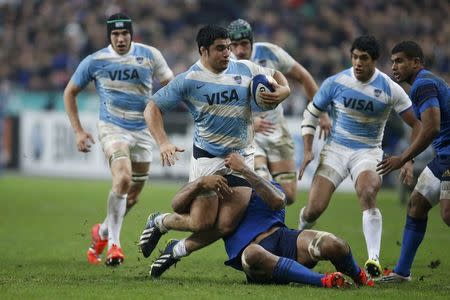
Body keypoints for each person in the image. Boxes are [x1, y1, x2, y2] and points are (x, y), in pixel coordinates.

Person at [141, 24, 290, 275]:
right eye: (220, 49)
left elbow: (278, 75)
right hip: (208, 158)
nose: (228, 53)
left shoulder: (245, 69)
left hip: (241, 156)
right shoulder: (190, 79)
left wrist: (284, 91)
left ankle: (174, 252)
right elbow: (152, 108)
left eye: (229, 48)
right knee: (202, 222)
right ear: (203, 51)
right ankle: (160, 221)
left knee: (226, 224)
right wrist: (163, 142)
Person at [141, 153, 374, 288]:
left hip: (284, 240)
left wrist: (247, 172)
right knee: (252, 253)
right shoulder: (214, 193)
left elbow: (279, 202)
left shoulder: (261, 186)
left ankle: (360, 277)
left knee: (336, 244)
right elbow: (182, 206)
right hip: (254, 256)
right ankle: (323, 281)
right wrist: (201, 183)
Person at [297, 35, 422, 278]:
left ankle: (372, 259)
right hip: (336, 150)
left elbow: (416, 125)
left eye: (363, 58)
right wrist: (309, 149)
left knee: (367, 192)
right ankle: (297, 242)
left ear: (374, 60)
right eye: (354, 57)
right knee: (313, 209)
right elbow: (311, 114)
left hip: (368, 151)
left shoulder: (389, 88)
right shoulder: (336, 82)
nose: (357, 62)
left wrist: (408, 158)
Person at [63, 13, 174, 266]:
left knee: (132, 196)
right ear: (109, 36)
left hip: (143, 131)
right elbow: (70, 93)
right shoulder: (95, 61)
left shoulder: (150, 55)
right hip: (112, 127)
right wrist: (79, 131)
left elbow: (172, 86)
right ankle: (114, 245)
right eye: (115, 34)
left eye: (125, 33)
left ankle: (101, 232)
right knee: (122, 178)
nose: (121, 38)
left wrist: (162, 113)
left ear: (131, 34)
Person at [227, 19, 332, 205]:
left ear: (251, 42)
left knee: (288, 196)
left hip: (277, 130)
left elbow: (303, 76)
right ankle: (259, 231)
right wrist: (248, 121)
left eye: (243, 44)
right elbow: (219, 105)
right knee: (260, 181)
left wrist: (322, 113)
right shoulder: (226, 65)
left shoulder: (270, 52)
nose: (239, 50)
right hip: (248, 134)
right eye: (234, 45)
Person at [376, 41, 450, 283]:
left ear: (416, 62)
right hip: (444, 157)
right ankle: (402, 273)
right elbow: (420, 127)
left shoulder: (423, 85)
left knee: (448, 214)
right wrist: (411, 159)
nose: (393, 66)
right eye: (392, 61)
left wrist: (402, 158)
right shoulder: (422, 84)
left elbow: (431, 128)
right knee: (416, 204)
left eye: (399, 61)